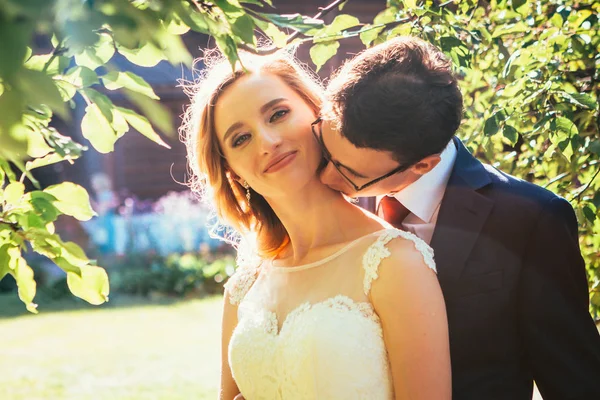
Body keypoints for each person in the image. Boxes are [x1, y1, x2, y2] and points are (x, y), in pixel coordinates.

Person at [318, 36, 600, 400]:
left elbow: (577, 383)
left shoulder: (531, 220)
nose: (325, 178)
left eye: (348, 171)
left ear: (422, 166)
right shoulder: (329, 204)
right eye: (325, 151)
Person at [181, 50, 451, 399]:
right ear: (232, 170)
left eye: (278, 114)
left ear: (315, 111)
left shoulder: (394, 262)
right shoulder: (243, 288)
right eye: (240, 139)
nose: (268, 141)